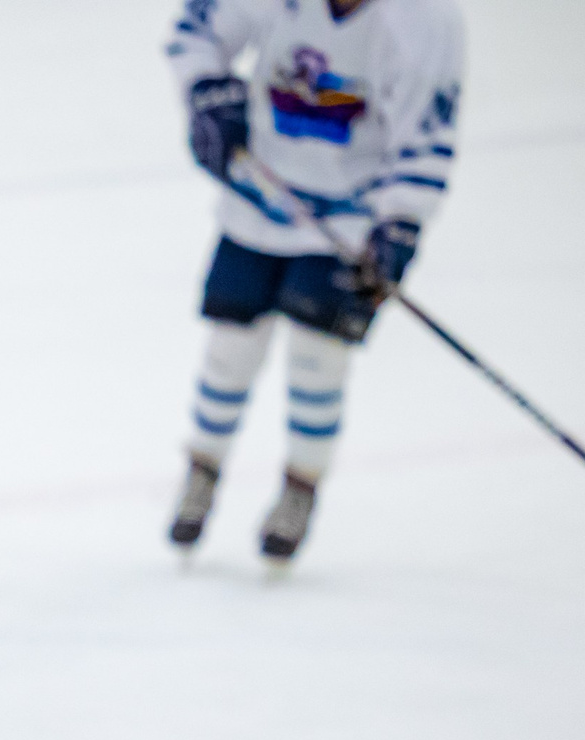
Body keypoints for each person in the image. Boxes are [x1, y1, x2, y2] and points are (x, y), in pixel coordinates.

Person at [163, 0, 464, 564]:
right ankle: (202, 468)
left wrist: (400, 222)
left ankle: (300, 486)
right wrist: (207, 90)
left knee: (317, 358)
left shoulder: (423, 21)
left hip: (346, 219)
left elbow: (425, 134)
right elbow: (196, 32)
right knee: (229, 350)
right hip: (259, 198)